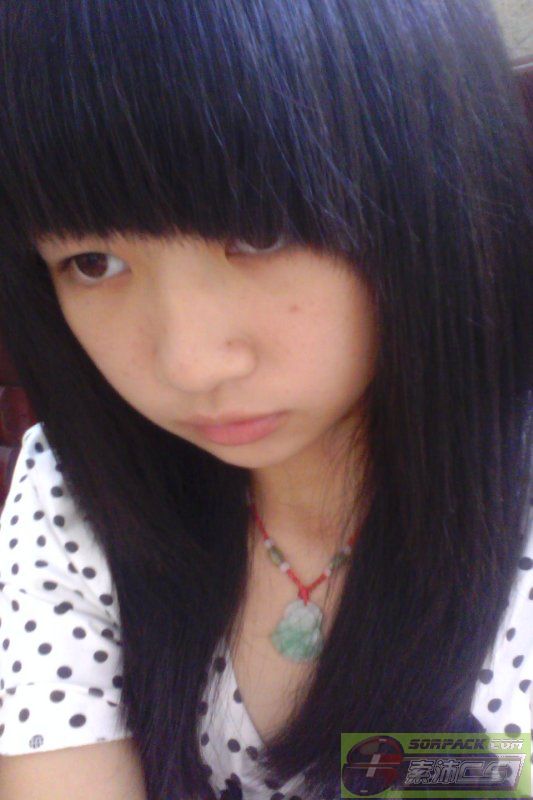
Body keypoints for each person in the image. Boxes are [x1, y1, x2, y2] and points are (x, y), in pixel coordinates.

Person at [0, 1, 531, 798]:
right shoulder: (74, 486)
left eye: (260, 233)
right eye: (94, 262)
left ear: (437, 193)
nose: (188, 364)